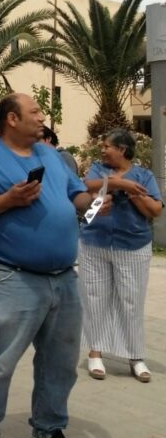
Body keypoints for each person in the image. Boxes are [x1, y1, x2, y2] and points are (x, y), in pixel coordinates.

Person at [0, 93, 106, 438]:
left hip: (64, 279)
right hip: (13, 277)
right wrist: (8, 199)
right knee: (0, 361)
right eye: (35, 111)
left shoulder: (51, 156)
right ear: (12, 120)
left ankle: (48, 432)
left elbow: (77, 196)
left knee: (61, 364)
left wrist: (99, 202)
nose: (43, 117)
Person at [79, 129, 163, 383]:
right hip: (94, 243)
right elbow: (86, 185)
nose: (102, 150)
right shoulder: (96, 169)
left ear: (122, 150)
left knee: (131, 301)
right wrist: (119, 183)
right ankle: (95, 353)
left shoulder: (144, 176)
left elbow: (155, 209)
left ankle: (135, 357)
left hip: (133, 246)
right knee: (94, 299)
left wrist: (132, 191)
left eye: (107, 146)